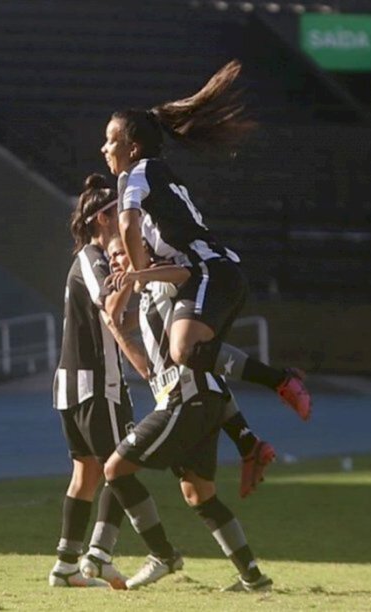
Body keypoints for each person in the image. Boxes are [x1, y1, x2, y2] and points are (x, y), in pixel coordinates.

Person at [101, 59, 311, 418]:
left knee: (183, 353)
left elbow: (127, 225)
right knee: (189, 358)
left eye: (110, 141)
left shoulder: (134, 174)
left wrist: (138, 275)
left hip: (209, 271)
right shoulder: (159, 175)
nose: (105, 149)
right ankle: (259, 421)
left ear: (132, 148)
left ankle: (274, 389)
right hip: (218, 272)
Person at [100, 237, 273, 592]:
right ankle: (253, 577)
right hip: (192, 398)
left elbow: (186, 272)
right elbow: (146, 368)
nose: (116, 259)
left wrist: (135, 272)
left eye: (122, 250)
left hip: (186, 396)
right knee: (199, 494)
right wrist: (116, 322)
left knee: (115, 469)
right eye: (111, 255)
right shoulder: (147, 294)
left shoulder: (168, 279)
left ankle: (162, 555)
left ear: (144, 247)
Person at [49, 174, 144, 589]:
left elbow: (117, 316)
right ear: (102, 218)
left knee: (86, 474)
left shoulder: (101, 260)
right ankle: (100, 555)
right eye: (117, 212)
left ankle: (66, 565)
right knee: (121, 467)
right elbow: (108, 306)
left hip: (80, 385)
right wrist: (134, 277)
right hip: (95, 384)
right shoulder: (92, 257)